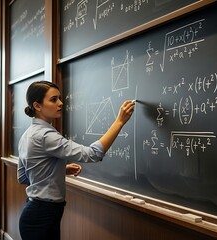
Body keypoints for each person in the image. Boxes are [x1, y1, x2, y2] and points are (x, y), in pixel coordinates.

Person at [17, 80, 135, 240]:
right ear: (37, 106)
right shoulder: (46, 136)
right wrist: (119, 121)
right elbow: (93, 153)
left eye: (59, 98)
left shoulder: (27, 134)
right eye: (53, 100)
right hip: (43, 215)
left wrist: (59, 170)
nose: (60, 103)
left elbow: (24, 177)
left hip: (36, 212)